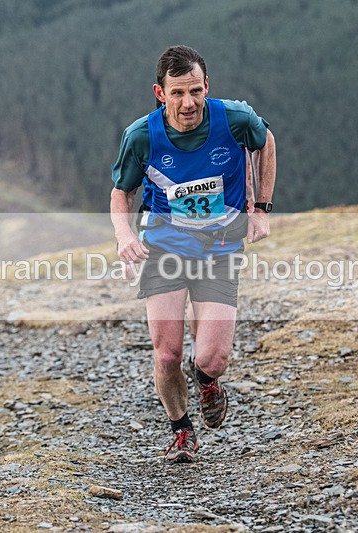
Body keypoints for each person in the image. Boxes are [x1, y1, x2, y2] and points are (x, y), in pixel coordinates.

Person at [110, 45, 277, 463]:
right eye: (178, 93)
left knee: (213, 358)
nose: (189, 103)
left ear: (207, 86)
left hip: (220, 248)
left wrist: (261, 208)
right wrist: (123, 235)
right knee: (167, 353)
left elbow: (266, 141)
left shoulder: (234, 119)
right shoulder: (141, 136)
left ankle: (206, 380)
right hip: (164, 247)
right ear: (160, 93)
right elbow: (122, 192)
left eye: (196, 91)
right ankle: (182, 431)